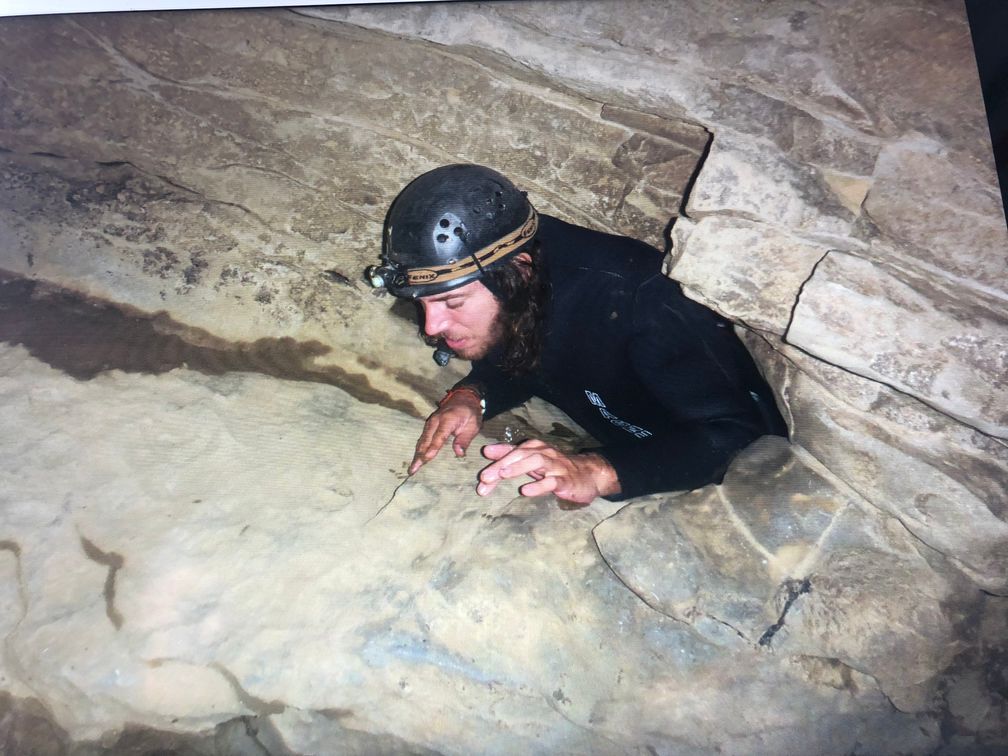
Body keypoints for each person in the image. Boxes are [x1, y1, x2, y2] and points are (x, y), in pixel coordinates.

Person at [365, 164, 787, 505]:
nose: (432, 327)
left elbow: (742, 438)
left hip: (689, 462)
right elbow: (531, 356)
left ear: (519, 271)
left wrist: (596, 471)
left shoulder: (644, 302)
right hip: (609, 431)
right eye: (423, 304)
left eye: (451, 304)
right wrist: (474, 394)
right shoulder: (517, 270)